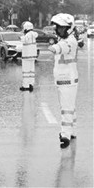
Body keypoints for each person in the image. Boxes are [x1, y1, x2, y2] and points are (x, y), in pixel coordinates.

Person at [49, 13, 79, 149]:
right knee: (69, 107)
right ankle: (72, 131)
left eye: (61, 28)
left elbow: (60, 49)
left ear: (69, 28)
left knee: (66, 109)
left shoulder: (69, 41)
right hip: (64, 81)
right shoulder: (66, 39)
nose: (58, 30)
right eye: (58, 27)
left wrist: (52, 47)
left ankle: (65, 135)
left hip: (68, 81)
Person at [20, 21, 38, 91]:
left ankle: (25, 85)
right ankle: (31, 83)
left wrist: (21, 37)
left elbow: (24, 40)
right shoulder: (33, 34)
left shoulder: (28, 35)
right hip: (32, 55)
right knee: (31, 70)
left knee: (26, 71)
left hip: (26, 55)